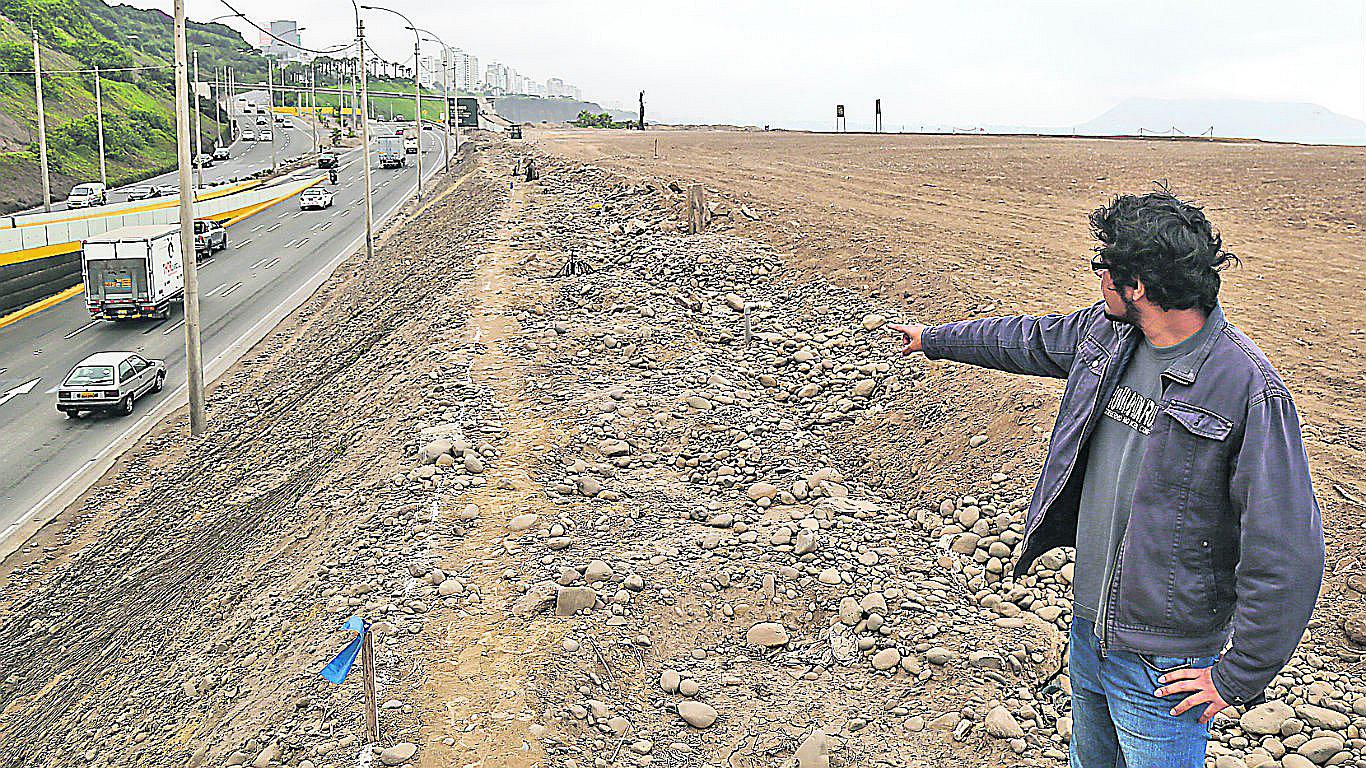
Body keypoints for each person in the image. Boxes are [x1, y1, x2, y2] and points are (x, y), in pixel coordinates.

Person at [891, 189, 1323, 768]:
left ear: (1137, 285)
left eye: (1104, 267)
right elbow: (1027, 340)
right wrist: (935, 340)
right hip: (1090, 629)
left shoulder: (1246, 388)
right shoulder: (1108, 335)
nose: (1097, 277)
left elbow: (1286, 548)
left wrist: (1237, 675)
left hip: (1164, 664)